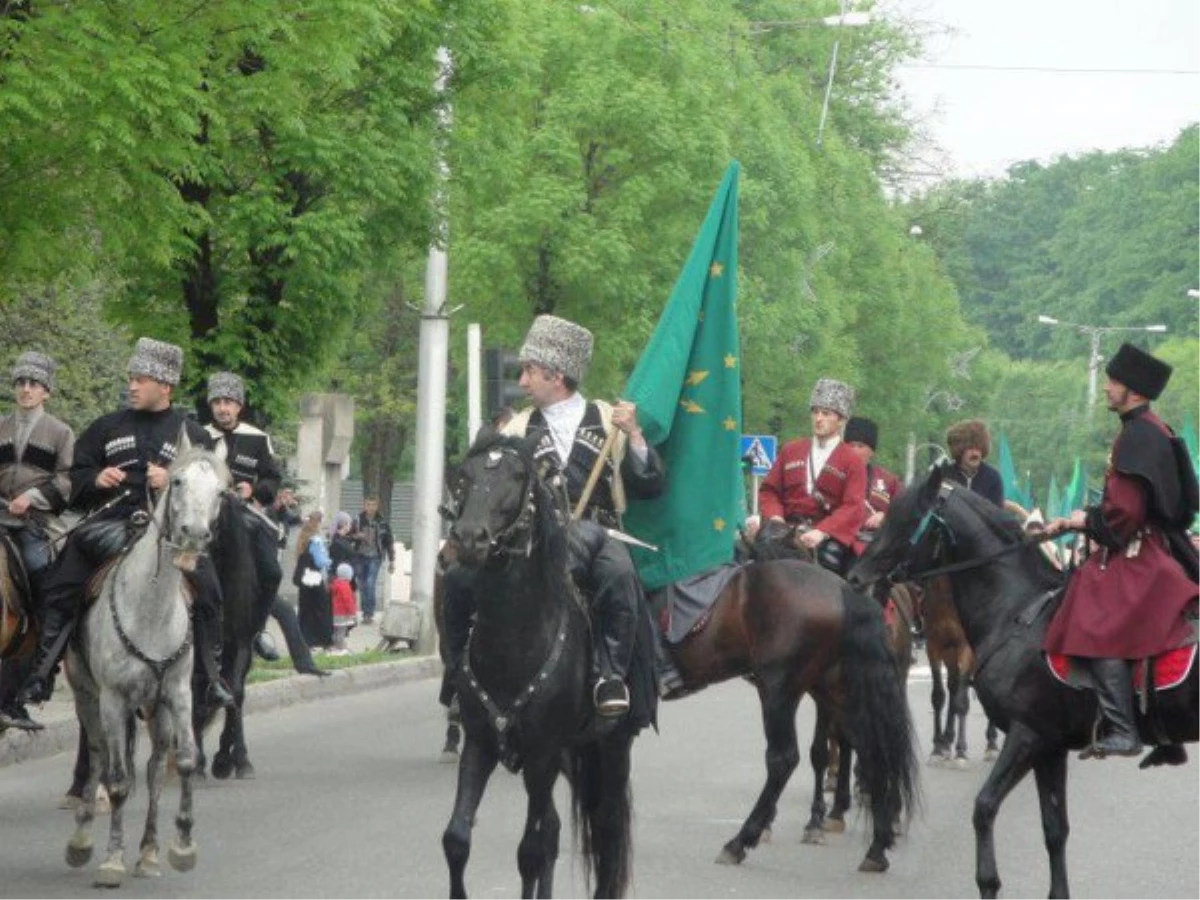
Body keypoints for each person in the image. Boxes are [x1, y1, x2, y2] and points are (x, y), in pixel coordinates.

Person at [443, 314, 665, 717]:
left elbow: (649, 483)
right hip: (529, 541)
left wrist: (634, 436)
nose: (523, 382)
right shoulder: (516, 426)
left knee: (621, 577)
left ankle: (611, 675)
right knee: (459, 578)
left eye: (529, 371)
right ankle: (459, 673)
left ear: (556, 375)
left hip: (599, 535)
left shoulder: (609, 420)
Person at [16, 338, 233, 727]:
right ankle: (42, 673)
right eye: (130, 378)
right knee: (61, 583)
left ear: (165, 386)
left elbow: (210, 490)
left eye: (141, 379)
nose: (132, 385)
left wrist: (171, 479)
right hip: (110, 526)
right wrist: (97, 478)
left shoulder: (193, 435)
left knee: (211, 592)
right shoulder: (105, 427)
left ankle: (212, 678)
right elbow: (75, 478)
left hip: (171, 537)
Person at [1044, 343, 1200, 760]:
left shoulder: (1138, 435)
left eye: (1113, 382)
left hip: (1139, 548)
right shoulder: (1154, 428)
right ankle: (1165, 734)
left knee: (1091, 617)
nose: (1107, 389)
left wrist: (1083, 521)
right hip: (1160, 543)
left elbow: (1125, 514)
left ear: (1132, 390)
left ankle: (1122, 727)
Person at [0, 352, 75, 731]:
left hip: (35, 522)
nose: (26, 389)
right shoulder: (0, 426)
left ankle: (39, 671)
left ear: (46, 391)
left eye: (33, 384)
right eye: (20, 383)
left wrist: (31, 499)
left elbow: (67, 480)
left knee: (42, 576)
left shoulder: (61, 433)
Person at [204, 372, 287, 664]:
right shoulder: (198, 436)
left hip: (245, 516)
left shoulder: (257, 439)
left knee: (272, 572)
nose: (222, 408)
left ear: (239, 405)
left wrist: (255, 490)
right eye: (217, 402)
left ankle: (257, 631)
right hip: (205, 519)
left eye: (228, 402)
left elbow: (273, 478)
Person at [756, 378, 867, 576]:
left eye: (826, 413)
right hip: (784, 529)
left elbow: (853, 506)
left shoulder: (852, 460)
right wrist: (775, 518)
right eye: (815, 412)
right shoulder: (791, 450)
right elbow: (769, 491)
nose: (818, 418)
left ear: (841, 420)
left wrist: (822, 532)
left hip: (824, 537)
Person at [294, 511, 334, 651]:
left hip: (304, 579)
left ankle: (304, 640)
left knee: (305, 610)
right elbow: (320, 561)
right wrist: (330, 561)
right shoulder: (316, 540)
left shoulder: (302, 539)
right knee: (321, 609)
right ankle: (324, 641)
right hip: (315, 578)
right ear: (318, 522)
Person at [352, 496, 395, 624]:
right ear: (364, 506)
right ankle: (365, 610)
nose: (370, 507)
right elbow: (348, 536)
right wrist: (356, 536)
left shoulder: (382, 523)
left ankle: (368, 614)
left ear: (377, 507)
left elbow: (389, 542)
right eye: (368, 505)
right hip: (359, 556)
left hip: (375, 557)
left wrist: (392, 561)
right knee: (362, 584)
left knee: (370, 583)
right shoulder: (357, 520)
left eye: (373, 505)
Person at [945, 419, 1004, 507]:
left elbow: (996, 514)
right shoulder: (945, 475)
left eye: (978, 448)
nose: (975, 453)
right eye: (970, 448)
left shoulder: (992, 477)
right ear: (959, 450)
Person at [329, 562, 357, 655]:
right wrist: (352, 612)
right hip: (343, 613)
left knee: (336, 631)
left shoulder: (335, 583)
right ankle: (341, 649)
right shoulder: (345, 586)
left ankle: (333, 646)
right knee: (341, 631)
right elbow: (347, 600)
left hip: (335, 612)